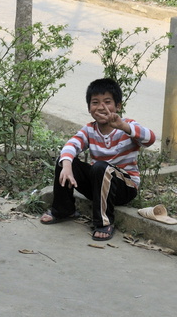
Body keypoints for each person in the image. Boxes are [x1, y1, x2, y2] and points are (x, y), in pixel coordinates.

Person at [40, 78, 155, 241]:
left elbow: (150, 139)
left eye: (107, 102)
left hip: (125, 188)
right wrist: (66, 166)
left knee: (101, 167)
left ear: (118, 106)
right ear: (89, 108)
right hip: (98, 186)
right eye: (95, 102)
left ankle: (104, 223)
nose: (101, 107)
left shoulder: (127, 125)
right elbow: (71, 145)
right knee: (65, 159)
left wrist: (123, 127)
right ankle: (64, 210)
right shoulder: (90, 129)